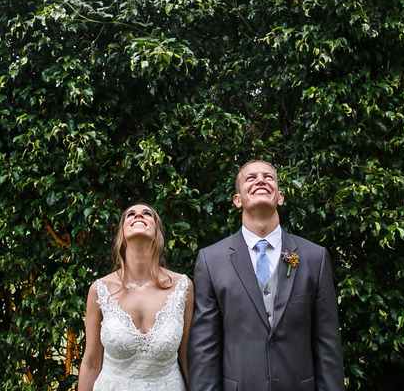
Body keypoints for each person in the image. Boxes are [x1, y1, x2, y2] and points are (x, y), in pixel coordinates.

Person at [188, 160, 344, 391]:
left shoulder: (315, 257)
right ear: (237, 200)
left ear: (280, 197)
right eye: (250, 178)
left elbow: (327, 343)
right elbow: (204, 348)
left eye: (268, 177)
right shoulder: (212, 261)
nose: (260, 180)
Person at [78, 203, 194, 391]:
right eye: (130, 214)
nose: (138, 216)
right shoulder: (100, 290)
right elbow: (91, 362)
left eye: (147, 214)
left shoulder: (182, 287)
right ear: (122, 236)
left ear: (157, 235)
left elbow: (189, 356)